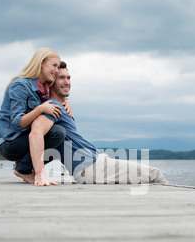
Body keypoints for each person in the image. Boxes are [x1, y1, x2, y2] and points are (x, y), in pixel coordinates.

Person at [31, 62, 169, 185]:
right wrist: (39, 172)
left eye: (68, 78)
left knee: (151, 176)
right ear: (51, 83)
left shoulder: (61, 107)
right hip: (89, 168)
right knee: (154, 174)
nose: (66, 82)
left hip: (97, 161)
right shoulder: (51, 108)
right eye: (61, 78)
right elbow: (36, 133)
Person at [0, 48, 71, 186]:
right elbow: (17, 123)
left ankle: (26, 168)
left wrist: (66, 102)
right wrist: (40, 108)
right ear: (41, 63)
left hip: (23, 137)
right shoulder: (20, 85)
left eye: (57, 66)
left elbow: (56, 98)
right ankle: (24, 169)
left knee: (60, 133)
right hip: (8, 142)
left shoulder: (44, 88)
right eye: (54, 65)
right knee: (57, 133)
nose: (56, 70)